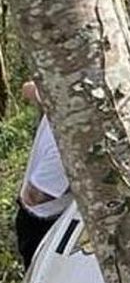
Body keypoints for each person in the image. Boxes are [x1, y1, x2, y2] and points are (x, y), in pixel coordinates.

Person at [15, 82, 72, 268]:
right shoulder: (67, 99)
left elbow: (28, 89)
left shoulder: (62, 95)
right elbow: (34, 197)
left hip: (43, 219)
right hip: (44, 220)